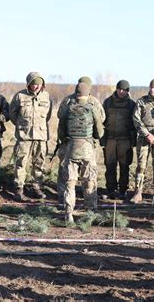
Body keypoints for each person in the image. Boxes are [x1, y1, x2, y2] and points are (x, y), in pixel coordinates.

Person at [57, 82, 104, 223]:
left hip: (71, 148)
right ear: (88, 93)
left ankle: (68, 213)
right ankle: (90, 212)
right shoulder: (92, 108)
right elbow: (99, 132)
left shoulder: (68, 107)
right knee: (89, 181)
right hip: (87, 149)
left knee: (70, 183)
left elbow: (61, 130)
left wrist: (67, 139)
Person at [10, 72, 52, 200]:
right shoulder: (20, 96)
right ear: (28, 84)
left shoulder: (46, 97)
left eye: (39, 84)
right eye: (33, 84)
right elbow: (13, 114)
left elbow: (48, 116)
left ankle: (36, 187)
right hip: (24, 136)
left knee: (39, 163)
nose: (36, 87)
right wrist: (22, 126)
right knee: (21, 163)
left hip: (41, 136)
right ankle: (19, 189)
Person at [100, 79, 136, 199]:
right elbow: (102, 122)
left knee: (124, 166)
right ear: (116, 89)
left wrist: (133, 141)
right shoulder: (108, 102)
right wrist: (102, 138)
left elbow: (134, 124)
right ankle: (111, 190)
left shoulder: (131, 104)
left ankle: (123, 190)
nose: (121, 91)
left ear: (127, 91)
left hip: (125, 140)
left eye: (124, 90)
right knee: (110, 165)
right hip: (110, 139)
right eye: (119, 89)